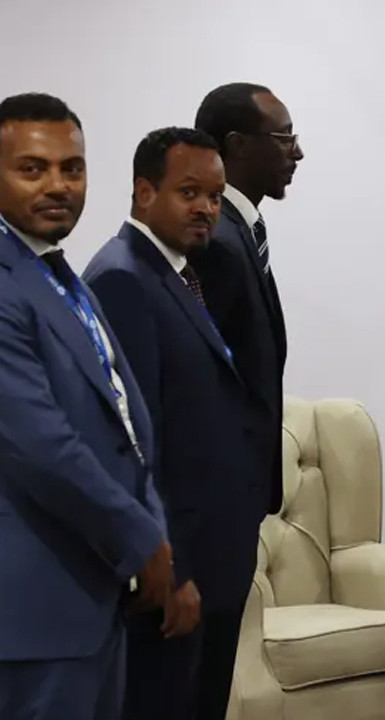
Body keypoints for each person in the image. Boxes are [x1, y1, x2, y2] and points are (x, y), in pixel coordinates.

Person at [83, 127, 267, 720]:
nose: (206, 209)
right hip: (176, 569)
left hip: (211, 556)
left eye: (214, 196)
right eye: (189, 193)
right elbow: (134, 445)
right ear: (144, 192)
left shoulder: (176, 272)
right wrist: (171, 570)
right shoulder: (122, 278)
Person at [0, 92, 172, 719]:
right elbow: (41, 447)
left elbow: (123, 423)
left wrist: (153, 533)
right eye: (32, 168)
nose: (58, 185)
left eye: (72, 168)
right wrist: (143, 541)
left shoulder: (58, 275)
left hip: (92, 603)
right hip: (31, 613)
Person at [190, 82, 302, 521]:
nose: (297, 152)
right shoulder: (216, 241)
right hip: (219, 494)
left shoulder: (239, 231)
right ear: (238, 146)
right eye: (284, 138)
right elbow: (206, 382)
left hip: (238, 491)